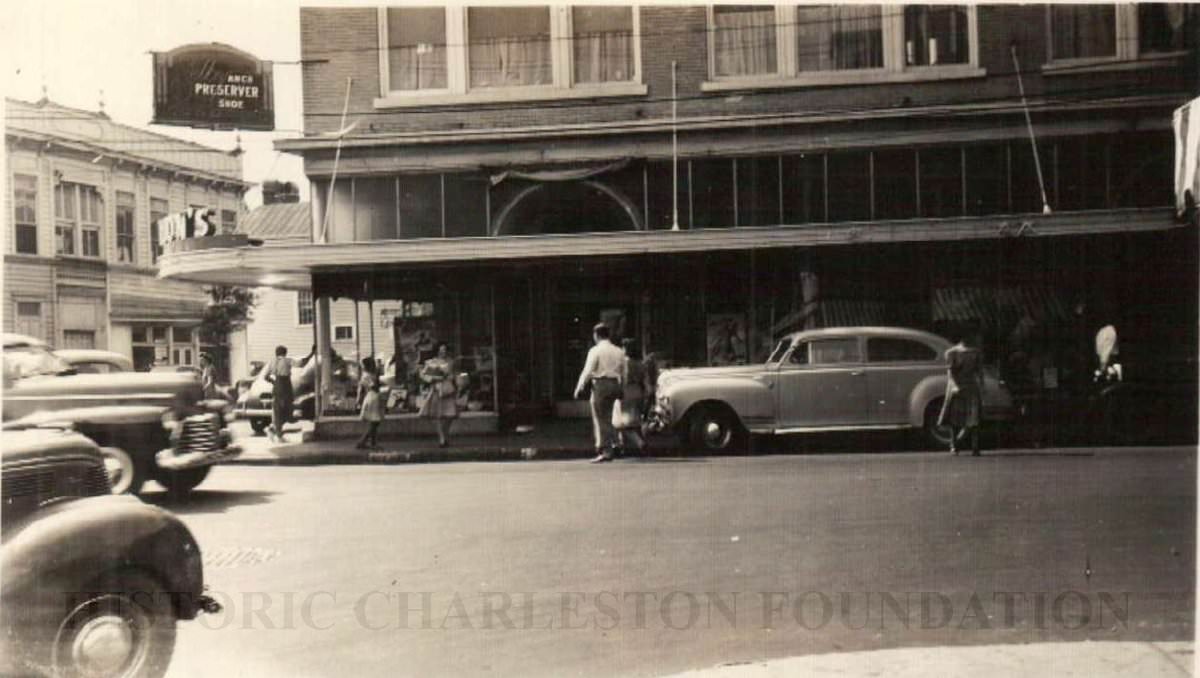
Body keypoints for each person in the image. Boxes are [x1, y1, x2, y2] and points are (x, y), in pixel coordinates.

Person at [573, 323, 625, 463]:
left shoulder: (595, 351)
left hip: (601, 384)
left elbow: (588, 371)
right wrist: (621, 388)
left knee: (600, 418)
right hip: (615, 383)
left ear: (596, 335)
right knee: (609, 416)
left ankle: (605, 450)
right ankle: (617, 443)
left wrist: (580, 387)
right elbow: (624, 371)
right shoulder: (619, 351)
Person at [938, 328, 984, 456]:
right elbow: (951, 372)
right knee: (955, 418)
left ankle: (974, 446)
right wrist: (955, 386)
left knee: (973, 418)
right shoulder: (952, 353)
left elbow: (979, 371)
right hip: (957, 386)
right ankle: (954, 444)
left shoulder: (975, 352)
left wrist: (982, 385)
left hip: (970, 386)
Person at [613, 338, 648, 457]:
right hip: (638, 391)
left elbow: (623, 379)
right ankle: (622, 446)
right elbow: (644, 380)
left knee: (622, 423)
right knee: (634, 421)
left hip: (626, 392)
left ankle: (639, 443)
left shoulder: (625, 362)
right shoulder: (640, 363)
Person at [419, 342, 458, 447]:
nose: (443, 352)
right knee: (437, 415)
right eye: (441, 350)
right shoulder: (431, 362)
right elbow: (423, 374)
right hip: (436, 389)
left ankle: (445, 434)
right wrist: (432, 379)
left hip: (447, 389)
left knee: (450, 415)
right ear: (437, 351)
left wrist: (450, 377)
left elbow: (453, 374)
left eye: (444, 350)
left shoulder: (450, 361)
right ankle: (442, 437)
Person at [263, 345, 294, 443]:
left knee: (278, 411)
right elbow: (301, 364)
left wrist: (274, 382)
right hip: (285, 385)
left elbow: (266, 376)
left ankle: (273, 429)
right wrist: (311, 354)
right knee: (287, 410)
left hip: (277, 386)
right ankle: (278, 434)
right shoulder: (287, 360)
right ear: (285, 353)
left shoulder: (272, 362)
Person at [356, 357, 384, 450]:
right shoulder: (367, 376)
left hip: (371, 397)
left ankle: (373, 443)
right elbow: (374, 387)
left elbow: (361, 390)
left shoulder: (366, 375)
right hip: (373, 397)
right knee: (375, 422)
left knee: (374, 421)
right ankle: (363, 441)